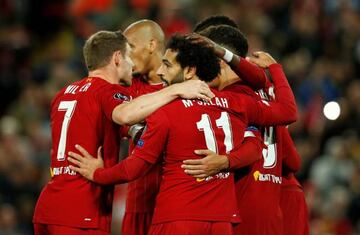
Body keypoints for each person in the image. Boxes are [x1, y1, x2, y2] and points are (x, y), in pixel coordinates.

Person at [67, 34, 297, 235]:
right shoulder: (237, 104)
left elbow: (135, 166)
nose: (160, 70)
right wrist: (227, 162)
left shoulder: (166, 112)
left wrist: (97, 174)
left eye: (167, 65)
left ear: (189, 71)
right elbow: (278, 122)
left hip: (177, 219)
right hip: (221, 223)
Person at [32, 30, 214, 235]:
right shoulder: (107, 91)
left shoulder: (63, 94)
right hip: (81, 208)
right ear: (117, 58)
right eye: (128, 56)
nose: (133, 65)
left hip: (48, 206)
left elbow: (123, 127)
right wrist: (175, 90)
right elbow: (125, 115)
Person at [183, 24, 308, 234]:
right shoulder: (265, 96)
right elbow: (293, 160)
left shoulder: (228, 101)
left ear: (220, 60)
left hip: (239, 210)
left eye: (201, 61)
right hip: (273, 212)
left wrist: (225, 162)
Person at [122, 19, 166, 235]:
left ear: (151, 45)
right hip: (139, 199)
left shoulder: (185, 86)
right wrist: (132, 129)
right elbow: (111, 117)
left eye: (130, 46)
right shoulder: (128, 85)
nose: (126, 55)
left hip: (175, 204)